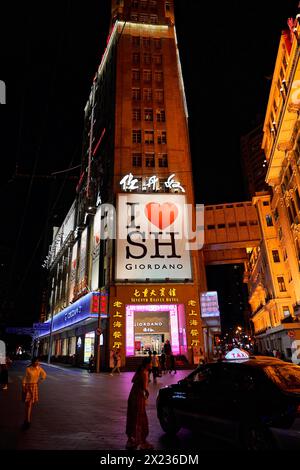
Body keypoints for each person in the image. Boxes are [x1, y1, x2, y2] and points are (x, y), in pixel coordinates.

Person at [125, 357, 153, 450]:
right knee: (141, 417)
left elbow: (133, 381)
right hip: (138, 397)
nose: (152, 365)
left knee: (132, 416)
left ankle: (130, 439)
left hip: (132, 395)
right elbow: (145, 388)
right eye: (151, 363)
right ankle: (142, 441)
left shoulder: (140, 371)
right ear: (147, 364)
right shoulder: (145, 372)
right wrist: (146, 396)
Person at [21, 357, 47, 429]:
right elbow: (24, 378)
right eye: (36, 362)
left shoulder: (39, 368)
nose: (37, 363)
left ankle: (27, 420)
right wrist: (23, 387)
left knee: (30, 405)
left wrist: (40, 380)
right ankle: (27, 421)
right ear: (32, 362)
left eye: (38, 362)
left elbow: (44, 375)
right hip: (28, 386)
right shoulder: (28, 369)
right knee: (28, 404)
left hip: (34, 387)